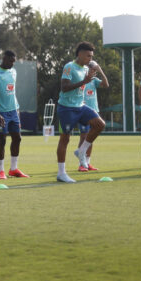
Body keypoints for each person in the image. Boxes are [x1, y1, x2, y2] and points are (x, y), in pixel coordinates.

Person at [55, 42, 106, 183]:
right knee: (65, 139)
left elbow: (103, 84)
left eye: (92, 56)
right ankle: (61, 173)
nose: (90, 59)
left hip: (80, 106)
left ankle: (81, 151)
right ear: (80, 54)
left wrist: (89, 78)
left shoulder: (85, 69)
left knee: (100, 124)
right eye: (88, 56)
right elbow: (64, 87)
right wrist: (84, 81)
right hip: (66, 108)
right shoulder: (69, 67)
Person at [0, 50, 28, 179]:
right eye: (10, 61)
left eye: (14, 61)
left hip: (14, 111)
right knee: (2, 139)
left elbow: (12, 93)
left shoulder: (13, 72)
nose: (12, 64)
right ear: (4, 59)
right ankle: (1, 171)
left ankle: (14, 169)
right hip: (1, 112)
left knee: (17, 138)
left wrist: (17, 111)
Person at [77, 60, 109, 172]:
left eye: (94, 69)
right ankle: (81, 164)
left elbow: (106, 84)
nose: (93, 70)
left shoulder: (94, 81)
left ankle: (88, 162)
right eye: (92, 68)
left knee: (91, 138)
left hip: (94, 112)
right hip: (83, 112)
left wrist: (101, 70)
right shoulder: (81, 79)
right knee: (84, 136)